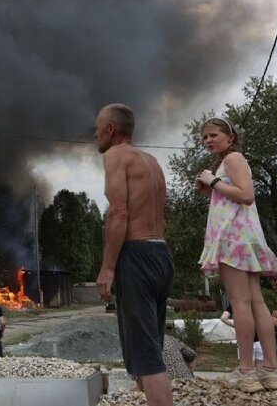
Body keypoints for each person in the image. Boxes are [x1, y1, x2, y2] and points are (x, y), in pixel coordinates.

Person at [195, 117, 277, 393]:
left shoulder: (233, 158)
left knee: (240, 303)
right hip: (245, 239)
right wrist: (212, 186)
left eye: (213, 135)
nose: (207, 140)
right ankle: (270, 371)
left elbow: (246, 195)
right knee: (255, 302)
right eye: (204, 138)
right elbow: (234, 195)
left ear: (230, 137)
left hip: (233, 240)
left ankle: (246, 370)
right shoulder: (230, 162)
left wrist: (213, 181)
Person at [93, 104, 174, 406]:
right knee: (150, 350)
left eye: (97, 127)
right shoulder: (151, 161)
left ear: (111, 128)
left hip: (137, 255)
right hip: (161, 253)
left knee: (148, 359)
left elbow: (119, 212)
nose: (94, 133)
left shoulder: (116, 155)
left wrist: (107, 268)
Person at [220, 304, 263, 370]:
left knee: (247, 369)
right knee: (260, 369)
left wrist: (235, 325)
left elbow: (223, 318)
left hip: (244, 340)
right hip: (259, 339)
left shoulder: (235, 304)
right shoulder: (255, 302)